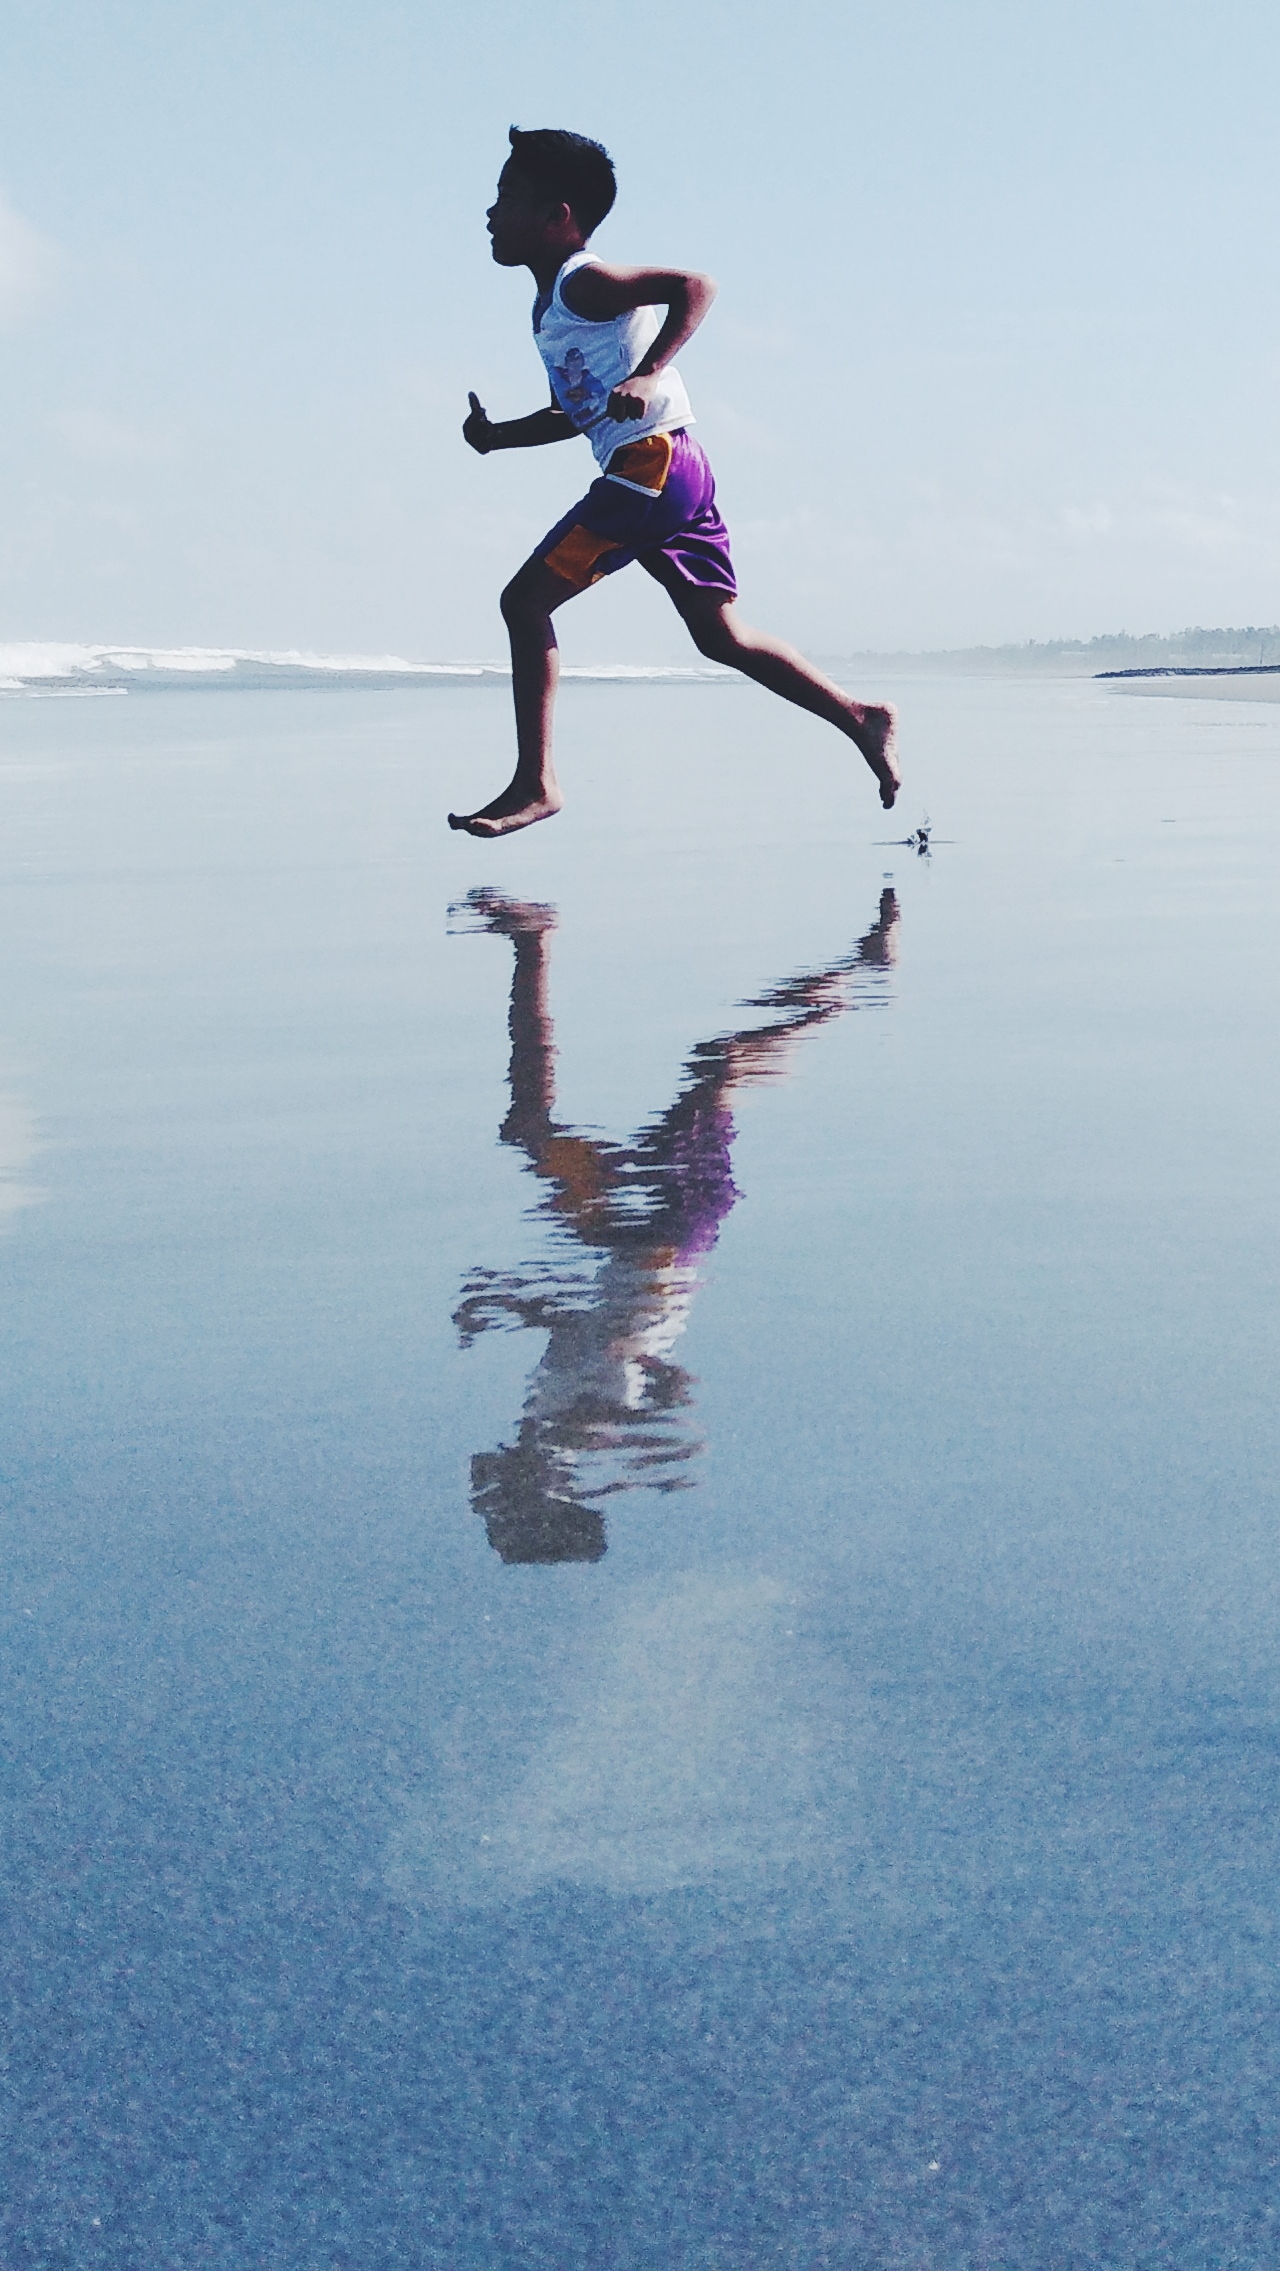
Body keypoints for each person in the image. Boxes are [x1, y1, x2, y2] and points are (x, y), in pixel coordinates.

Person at [452, 126, 900, 838]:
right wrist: (500, 435)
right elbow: (579, 412)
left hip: (648, 468)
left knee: (523, 602)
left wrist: (650, 370)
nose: (488, 212)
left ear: (556, 216)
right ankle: (859, 717)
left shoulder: (583, 282)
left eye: (506, 196)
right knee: (720, 637)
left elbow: (695, 285)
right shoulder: (552, 307)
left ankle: (537, 783)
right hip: (672, 468)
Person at [453, 884, 901, 1563]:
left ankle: (530, 943)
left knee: (528, 1127)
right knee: (715, 1068)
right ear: (533, 1493)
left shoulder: (547, 1426)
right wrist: (647, 1426)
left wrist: (509, 1304)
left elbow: (583, 1334)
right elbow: (652, 1386)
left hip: (625, 1241)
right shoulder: (575, 1438)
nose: (482, 1492)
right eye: (496, 1505)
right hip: (664, 1235)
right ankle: (856, 984)